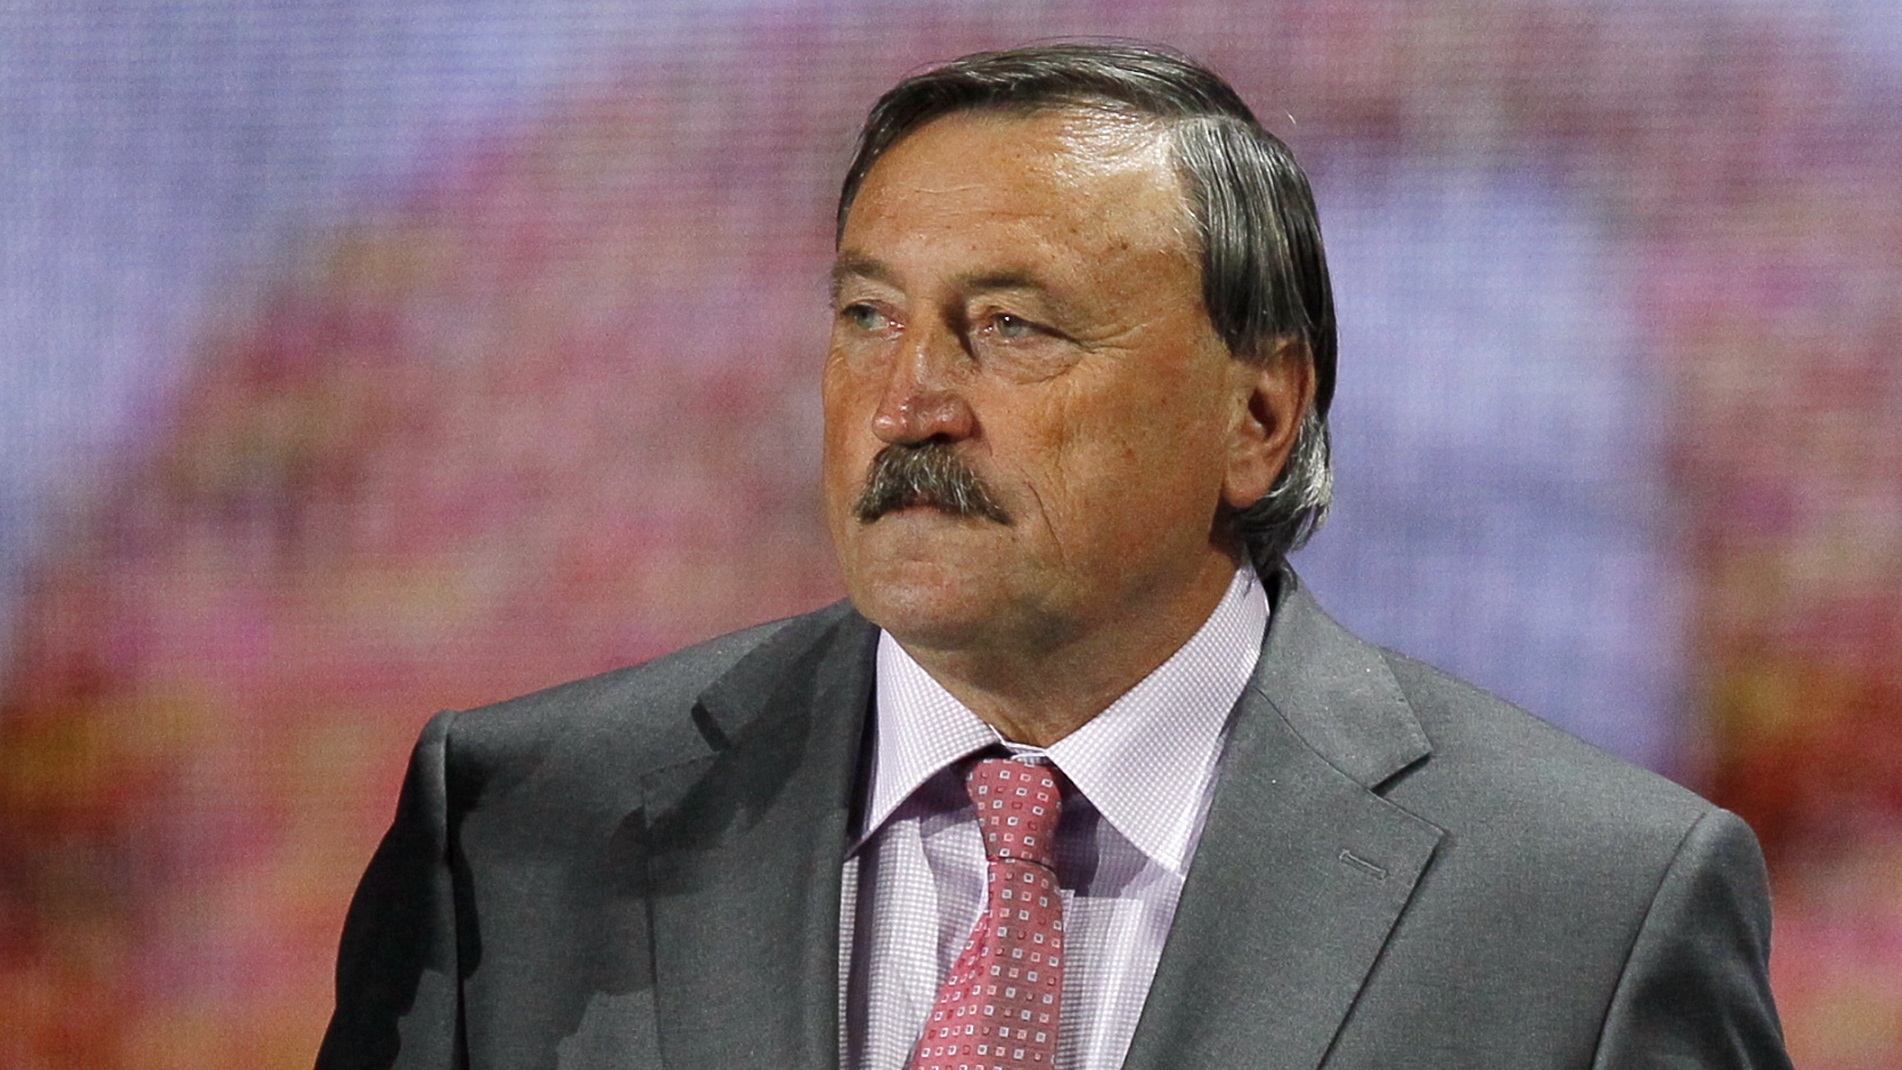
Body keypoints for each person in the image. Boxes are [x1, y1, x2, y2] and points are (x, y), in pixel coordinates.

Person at [317, 42, 1790, 1069]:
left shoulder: (1586, 901)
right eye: (866, 318)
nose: (910, 402)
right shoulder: (515, 831)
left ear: (1257, 413)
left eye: (1012, 326)